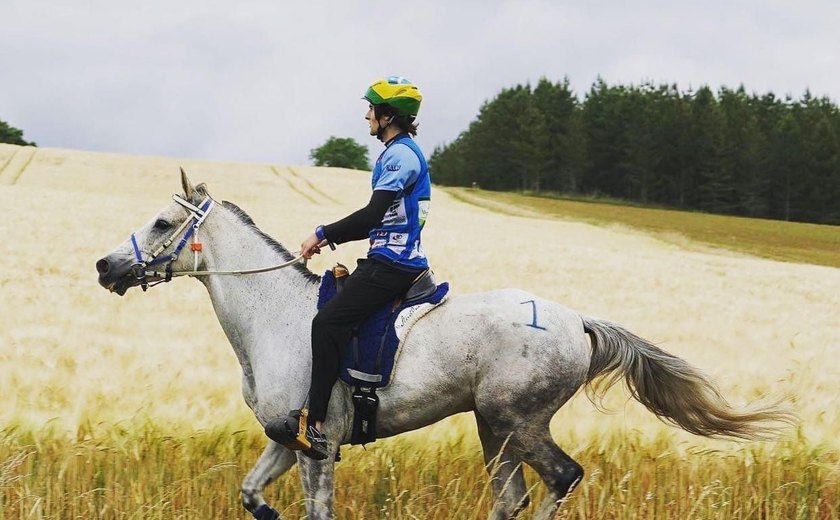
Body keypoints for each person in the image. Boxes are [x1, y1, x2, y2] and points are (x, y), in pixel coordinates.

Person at [297, 76, 431, 460]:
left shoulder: (401, 155)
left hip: (393, 262)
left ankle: (318, 427)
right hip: (385, 257)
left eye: (371, 108)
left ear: (388, 115)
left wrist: (323, 234)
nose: (366, 115)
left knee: (327, 323)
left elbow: (373, 215)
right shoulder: (396, 151)